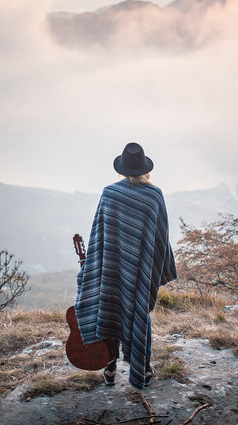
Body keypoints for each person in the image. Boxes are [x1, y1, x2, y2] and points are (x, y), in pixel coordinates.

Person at [74, 142, 177, 390]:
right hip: (141, 267)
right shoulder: (154, 194)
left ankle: (109, 368)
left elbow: (98, 235)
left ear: (121, 168)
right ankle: (143, 368)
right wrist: (157, 265)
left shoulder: (110, 193)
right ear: (145, 169)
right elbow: (160, 237)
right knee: (140, 313)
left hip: (112, 266)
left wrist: (96, 264)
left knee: (110, 308)